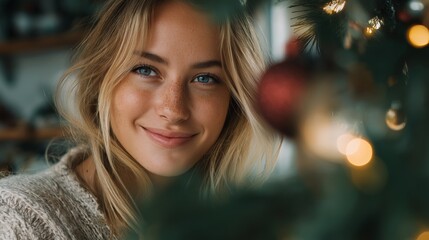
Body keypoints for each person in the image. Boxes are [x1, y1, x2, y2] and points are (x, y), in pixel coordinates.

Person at [0, 0, 282, 238]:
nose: (173, 110)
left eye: (204, 78)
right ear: (102, 78)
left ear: (234, 99)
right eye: (146, 70)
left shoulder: (250, 223)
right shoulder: (17, 218)